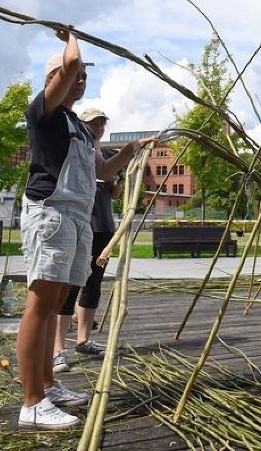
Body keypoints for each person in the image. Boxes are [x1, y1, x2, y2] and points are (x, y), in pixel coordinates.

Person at [17, 30, 150, 430]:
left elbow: (101, 171)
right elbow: (72, 61)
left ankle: (48, 385)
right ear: (54, 79)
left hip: (76, 215)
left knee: (57, 301)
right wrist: (70, 35)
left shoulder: (75, 124)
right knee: (40, 305)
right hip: (51, 213)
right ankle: (31, 402)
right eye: (74, 76)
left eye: (84, 77)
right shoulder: (43, 112)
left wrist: (131, 150)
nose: (81, 79)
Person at [51, 109, 150, 373]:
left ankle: (83, 340)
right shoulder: (75, 152)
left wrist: (126, 175)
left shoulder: (105, 155)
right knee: (70, 285)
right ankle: (58, 348)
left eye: (101, 124)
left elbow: (114, 189)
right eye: (93, 124)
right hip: (80, 224)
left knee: (93, 283)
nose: (98, 128)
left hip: (103, 226)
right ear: (83, 126)